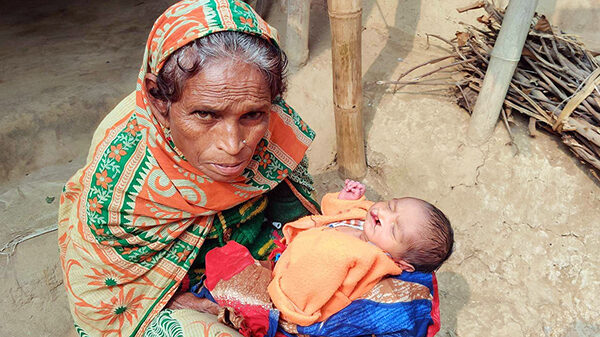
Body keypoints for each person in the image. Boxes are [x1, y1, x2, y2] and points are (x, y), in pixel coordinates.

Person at [57, 1, 319, 336]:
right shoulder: (118, 181)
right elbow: (111, 297)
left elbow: (296, 221)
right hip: (176, 293)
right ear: (158, 99)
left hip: (260, 261)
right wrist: (177, 301)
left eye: (252, 115)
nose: (233, 143)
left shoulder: (276, 131)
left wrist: (285, 266)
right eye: (206, 115)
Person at [268, 179, 454, 325]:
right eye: (391, 205)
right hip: (299, 246)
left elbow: (311, 286)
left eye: (393, 229)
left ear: (399, 263)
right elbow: (337, 215)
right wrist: (345, 200)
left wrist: (284, 302)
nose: (384, 215)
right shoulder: (369, 224)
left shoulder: (366, 260)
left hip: (293, 282)